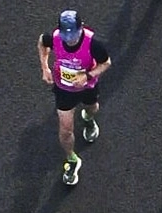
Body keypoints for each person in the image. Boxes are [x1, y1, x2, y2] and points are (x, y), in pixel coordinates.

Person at [38, 10, 111, 187]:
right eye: (66, 35)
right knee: (65, 129)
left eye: (73, 35)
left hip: (87, 87)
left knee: (92, 108)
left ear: (81, 27)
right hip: (64, 89)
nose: (69, 39)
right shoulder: (54, 38)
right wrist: (45, 68)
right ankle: (72, 159)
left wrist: (88, 75)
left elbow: (106, 63)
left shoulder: (93, 43)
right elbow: (42, 42)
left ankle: (88, 118)